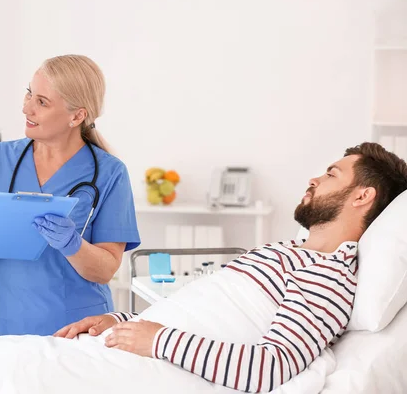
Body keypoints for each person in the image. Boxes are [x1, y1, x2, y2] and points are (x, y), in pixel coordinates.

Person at [55, 142, 407, 392]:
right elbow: (199, 311)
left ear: (363, 196)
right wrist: (120, 321)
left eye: (331, 174)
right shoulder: (286, 251)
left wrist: (158, 339)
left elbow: (271, 367)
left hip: (144, 370)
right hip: (121, 349)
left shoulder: (328, 273)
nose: (314, 179)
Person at [0, 55, 140, 337]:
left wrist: (72, 244)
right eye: (29, 93)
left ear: (76, 116)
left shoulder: (109, 173)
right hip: (6, 325)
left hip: (77, 329)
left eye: (42, 102)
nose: (26, 107)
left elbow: (105, 270)